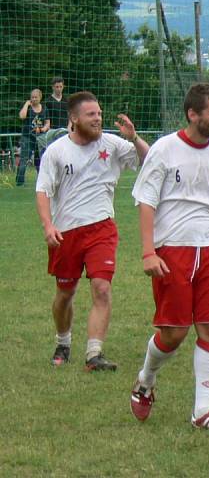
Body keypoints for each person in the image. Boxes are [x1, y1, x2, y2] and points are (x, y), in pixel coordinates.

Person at [129, 83, 209, 431]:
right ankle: (145, 381)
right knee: (174, 333)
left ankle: (202, 412)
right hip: (172, 249)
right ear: (194, 114)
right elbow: (146, 201)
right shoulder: (164, 150)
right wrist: (148, 252)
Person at [35, 91, 148, 370]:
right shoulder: (57, 151)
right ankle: (63, 341)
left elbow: (149, 160)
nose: (98, 119)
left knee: (102, 287)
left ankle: (94, 354)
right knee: (65, 294)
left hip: (102, 228)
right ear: (74, 119)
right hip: (66, 233)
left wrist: (133, 138)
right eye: (91, 115)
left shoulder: (112, 144)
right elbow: (43, 191)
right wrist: (48, 225)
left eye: (99, 114)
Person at [17, 88, 50, 186]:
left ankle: (41, 181)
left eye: (36, 97)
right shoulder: (28, 107)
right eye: (32, 97)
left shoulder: (44, 108)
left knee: (40, 160)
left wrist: (43, 129)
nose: (34, 99)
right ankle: (20, 182)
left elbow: (47, 123)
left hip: (40, 138)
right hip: (27, 137)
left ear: (40, 97)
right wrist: (26, 104)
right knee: (24, 159)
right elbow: (22, 116)